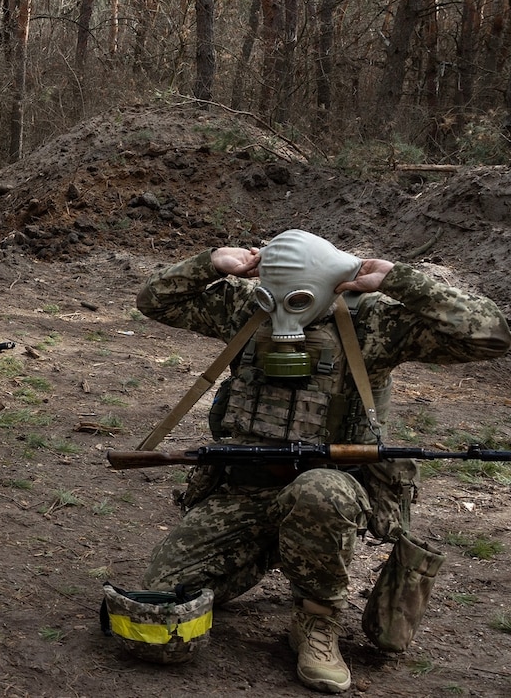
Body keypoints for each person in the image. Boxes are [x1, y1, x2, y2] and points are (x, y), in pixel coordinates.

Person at [135, 229, 509, 693]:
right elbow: (154, 301)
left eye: (295, 295)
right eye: (273, 294)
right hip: (245, 487)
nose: (282, 308)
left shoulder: (372, 323)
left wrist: (401, 280)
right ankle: (272, 547)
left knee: (319, 492)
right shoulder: (248, 308)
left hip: (330, 491)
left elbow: (490, 336)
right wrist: (211, 263)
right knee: (163, 595)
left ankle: (317, 620)